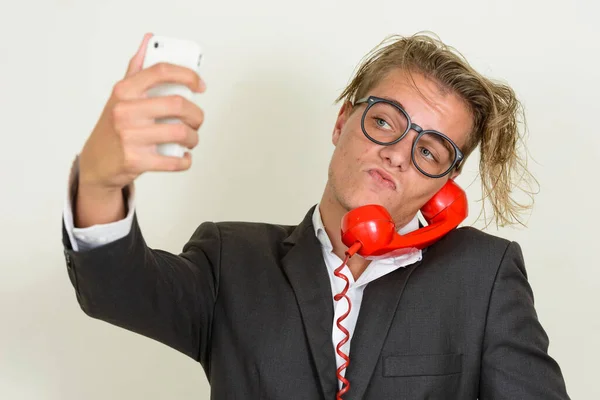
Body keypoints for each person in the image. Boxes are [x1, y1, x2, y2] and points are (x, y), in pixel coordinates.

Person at [61, 32, 570, 399]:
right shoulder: (229, 259)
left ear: (445, 187)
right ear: (343, 120)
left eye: (430, 152)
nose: (397, 154)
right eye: (384, 121)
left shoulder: (483, 274)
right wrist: (99, 181)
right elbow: (114, 287)